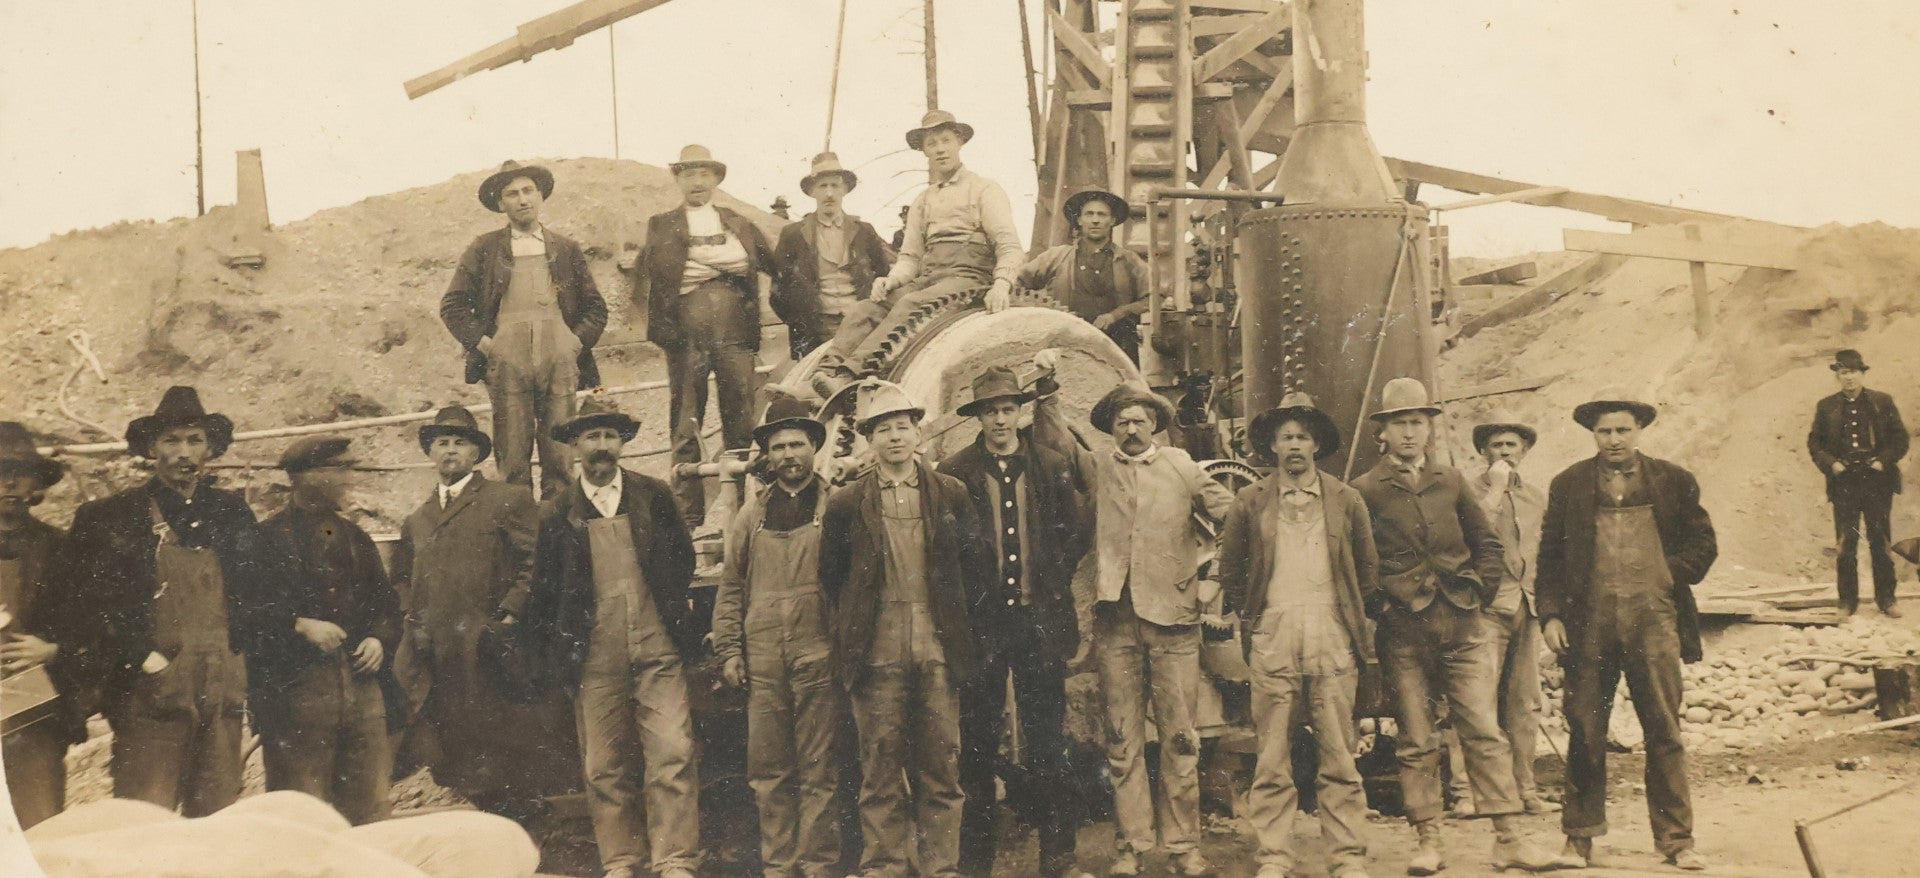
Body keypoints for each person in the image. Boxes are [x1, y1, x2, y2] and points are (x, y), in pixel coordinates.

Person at [1030, 353, 1234, 878]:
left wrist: (1215, 579)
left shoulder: (1182, 467)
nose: (1132, 429)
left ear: (1155, 424)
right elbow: (1056, 444)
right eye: (1122, 422)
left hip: (1175, 622)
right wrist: (1047, 389)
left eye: (1140, 420)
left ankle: (1184, 847)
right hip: (1116, 623)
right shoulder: (1097, 468)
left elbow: (1237, 518)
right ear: (1112, 428)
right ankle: (1132, 846)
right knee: (1122, 740)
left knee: (1180, 738)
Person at [1349, 378, 1557, 875]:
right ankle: (1429, 841)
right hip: (1403, 631)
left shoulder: (1451, 480)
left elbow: (1486, 542)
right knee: (1417, 738)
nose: (1409, 433)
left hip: (1462, 625)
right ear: (1383, 432)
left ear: (1429, 429)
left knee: (1484, 730)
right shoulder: (1365, 489)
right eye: (1400, 423)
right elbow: (1359, 561)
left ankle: (1509, 839)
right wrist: (1382, 606)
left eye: (1417, 423)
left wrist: (1478, 592)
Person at [57, 386, 294, 816]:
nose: (184, 452)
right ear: (151, 449)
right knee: (146, 817)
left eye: (194, 440)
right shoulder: (113, 516)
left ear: (210, 449)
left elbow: (259, 593)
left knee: (217, 816)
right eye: (172, 441)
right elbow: (85, 606)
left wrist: (239, 660)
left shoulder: (232, 513)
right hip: (152, 693)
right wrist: (140, 657)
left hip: (221, 690)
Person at [1538, 390, 1717, 872]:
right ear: (1592, 434)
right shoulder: (1569, 484)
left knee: (1664, 728)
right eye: (1604, 431)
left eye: (1622, 430)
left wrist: (1667, 573)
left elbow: (1704, 543)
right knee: (1585, 728)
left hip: (1653, 620)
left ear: (1639, 431)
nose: (1614, 439)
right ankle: (1579, 839)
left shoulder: (1673, 480)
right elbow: (1550, 554)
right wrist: (1551, 615)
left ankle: (1677, 841)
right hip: (1589, 624)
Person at [818, 378, 990, 878]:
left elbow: (974, 569)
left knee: (941, 766)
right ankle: (884, 866)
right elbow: (832, 577)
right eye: (883, 429)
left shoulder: (950, 494)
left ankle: (941, 868)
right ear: (870, 439)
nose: (894, 437)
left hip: (937, 647)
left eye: (902, 426)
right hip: (877, 650)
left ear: (918, 432)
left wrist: (957, 637)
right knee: (880, 768)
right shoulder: (847, 502)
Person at [527, 398, 702, 878]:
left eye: (609, 436)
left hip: (657, 649)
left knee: (672, 752)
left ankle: (675, 860)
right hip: (595, 656)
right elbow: (545, 589)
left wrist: (666, 615)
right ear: (574, 446)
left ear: (622, 443)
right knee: (603, 765)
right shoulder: (557, 512)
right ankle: (621, 860)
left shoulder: (654, 496)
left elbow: (682, 560)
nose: (601, 446)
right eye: (591, 437)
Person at [389, 406, 578, 821]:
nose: (450, 451)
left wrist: (509, 615)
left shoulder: (506, 500)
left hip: (491, 648)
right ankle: (484, 817)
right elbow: (400, 577)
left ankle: (524, 822)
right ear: (430, 453)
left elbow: (536, 562)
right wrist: (411, 617)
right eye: (442, 443)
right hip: (440, 653)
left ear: (476, 454)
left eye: (460, 443)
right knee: (453, 742)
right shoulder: (418, 519)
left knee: (504, 738)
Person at [937, 366, 1089, 878]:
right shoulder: (956, 472)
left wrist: (1050, 580)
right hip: (983, 628)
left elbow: (1076, 531)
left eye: (1007, 410)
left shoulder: (1050, 465)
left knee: (1048, 739)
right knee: (976, 743)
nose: (1000, 420)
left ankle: (1058, 857)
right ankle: (975, 863)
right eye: (990, 411)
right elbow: (946, 550)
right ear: (978, 417)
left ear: (1020, 412)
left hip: (1038, 623)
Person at [1218, 393, 1377, 878]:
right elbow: (1231, 570)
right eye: (1285, 437)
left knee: (1339, 755)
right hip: (1275, 637)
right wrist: (1259, 620)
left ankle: (1347, 857)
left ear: (1316, 445)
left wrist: (1347, 625)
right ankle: (1274, 855)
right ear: (1272, 445)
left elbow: (1367, 572)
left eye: (1302, 437)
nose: (1293, 446)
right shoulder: (1249, 502)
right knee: (1272, 757)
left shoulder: (1346, 499)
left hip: (1331, 636)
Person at [712, 395, 842, 878]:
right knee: (769, 771)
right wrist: (729, 649)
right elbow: (731, 586)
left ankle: (819, 865)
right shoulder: (751, 516)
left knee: (819, 769)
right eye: (779, 447)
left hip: (818, 652)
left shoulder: (836, 506)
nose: (789, 455)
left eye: (798, 444)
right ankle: (779, 867)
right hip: (764, 658)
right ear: (767, 455)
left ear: (814, 448)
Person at [811, 111, 1025, 396]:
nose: (940, 149)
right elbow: (910, 257)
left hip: (968, 279)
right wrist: (890, 281)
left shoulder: (984, 188)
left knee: (910, 303)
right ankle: (823, 374)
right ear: (924, 151)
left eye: (946, 141)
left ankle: (848, 377)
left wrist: (1002, 284)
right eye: (932, 144)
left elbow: (1009, 245)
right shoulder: (923, 200)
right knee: (866, 308)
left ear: (959, 142)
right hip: (930, 278)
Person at [250, 437, 402, 825]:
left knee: (371, 810)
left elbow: (386, 605)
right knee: (301, 815)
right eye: (340, 469)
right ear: (306, 477)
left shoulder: (355, 537)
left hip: (362, 690)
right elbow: (246, 613)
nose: (349, 478)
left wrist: (378, 639)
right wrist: (299, 625)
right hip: (295, 694)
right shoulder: (264, 540)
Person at [440, 160, 609, 499]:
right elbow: (452, 305)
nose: (522, 200)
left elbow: (596, 308)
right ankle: (518, 524)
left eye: (528, 191)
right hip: (507, 362)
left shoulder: (565, 248)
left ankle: (559, 521)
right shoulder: (485, 249)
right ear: (500, 204)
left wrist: (573, 344)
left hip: (559, 360)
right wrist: (486, 345)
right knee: (512, 454)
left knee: (561, 451)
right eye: (512, 194)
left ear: (540, 196)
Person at [635, 144, 778, 527]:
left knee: (740, 420)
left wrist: (697, 263)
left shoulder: (737, 222)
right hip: (686, 337)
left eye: (704, 174)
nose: (697, 182)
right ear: (678, 179)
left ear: (715, 179)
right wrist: (723, 263)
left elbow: (757, 262)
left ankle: (746, 511)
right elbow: (655, 275)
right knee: (686, 422)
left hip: (735, 332)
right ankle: (687, 516)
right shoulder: (662, 224)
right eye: (688, 174)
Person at [1443, 413, 1556, 816]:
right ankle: (1466, 792)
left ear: (1524, 451)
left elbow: (1547, 552)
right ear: (1483, 452)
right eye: (1496, 445)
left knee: (1524, 704)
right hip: (1486, 609)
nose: (1505, 452)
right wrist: (1495, 489)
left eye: (1512, 445)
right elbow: (1468, 537)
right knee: (1475, 702)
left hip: (1528, 608)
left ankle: (1524, 789)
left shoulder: (1537, 498)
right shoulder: (1468, 493)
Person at [0, 421, 83, 829]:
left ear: (35, 484)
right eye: (0, 472)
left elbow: (91, 625)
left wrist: (53, 650)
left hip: (34, 716)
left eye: (21, 473)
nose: (9, 483)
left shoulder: (60, 548)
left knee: (38, 826)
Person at [1807, 349, 1908, 617]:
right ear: (1837, 376)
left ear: (1862, 373)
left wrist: (1882, 461)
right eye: (1843, 373)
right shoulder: (1826, 406)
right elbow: (1815, 443)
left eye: (1852, 372)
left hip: (1877, 482)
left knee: (1880, 542)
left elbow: (1900, 439)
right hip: (1844, 483)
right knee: (1845, 544)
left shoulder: (1882, 402)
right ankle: (1847, 602)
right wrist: (1832, 464)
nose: (1848, 378)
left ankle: (1887, 600)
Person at [772, 152, 894, 362]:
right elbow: (778, 291)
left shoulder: (864, 231)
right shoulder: (793, 234)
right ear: (812, 192)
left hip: (862, 325)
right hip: (816, 329)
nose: (829, 193)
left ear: (844, 190)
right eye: (822, 186)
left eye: (835, 186)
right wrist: (800, 322)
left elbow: (884, 276)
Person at [1016, 187, 1150, 361]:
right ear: (1079, 220)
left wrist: (1116, 314)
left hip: (1117, 351)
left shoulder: (1128, 260)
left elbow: (1154, 298)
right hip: (1064, 349)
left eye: (1102, 215)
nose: (1095, 220)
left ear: (1112, 220)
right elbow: (1017, 283)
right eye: (1089, 214)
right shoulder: (1056, 257)